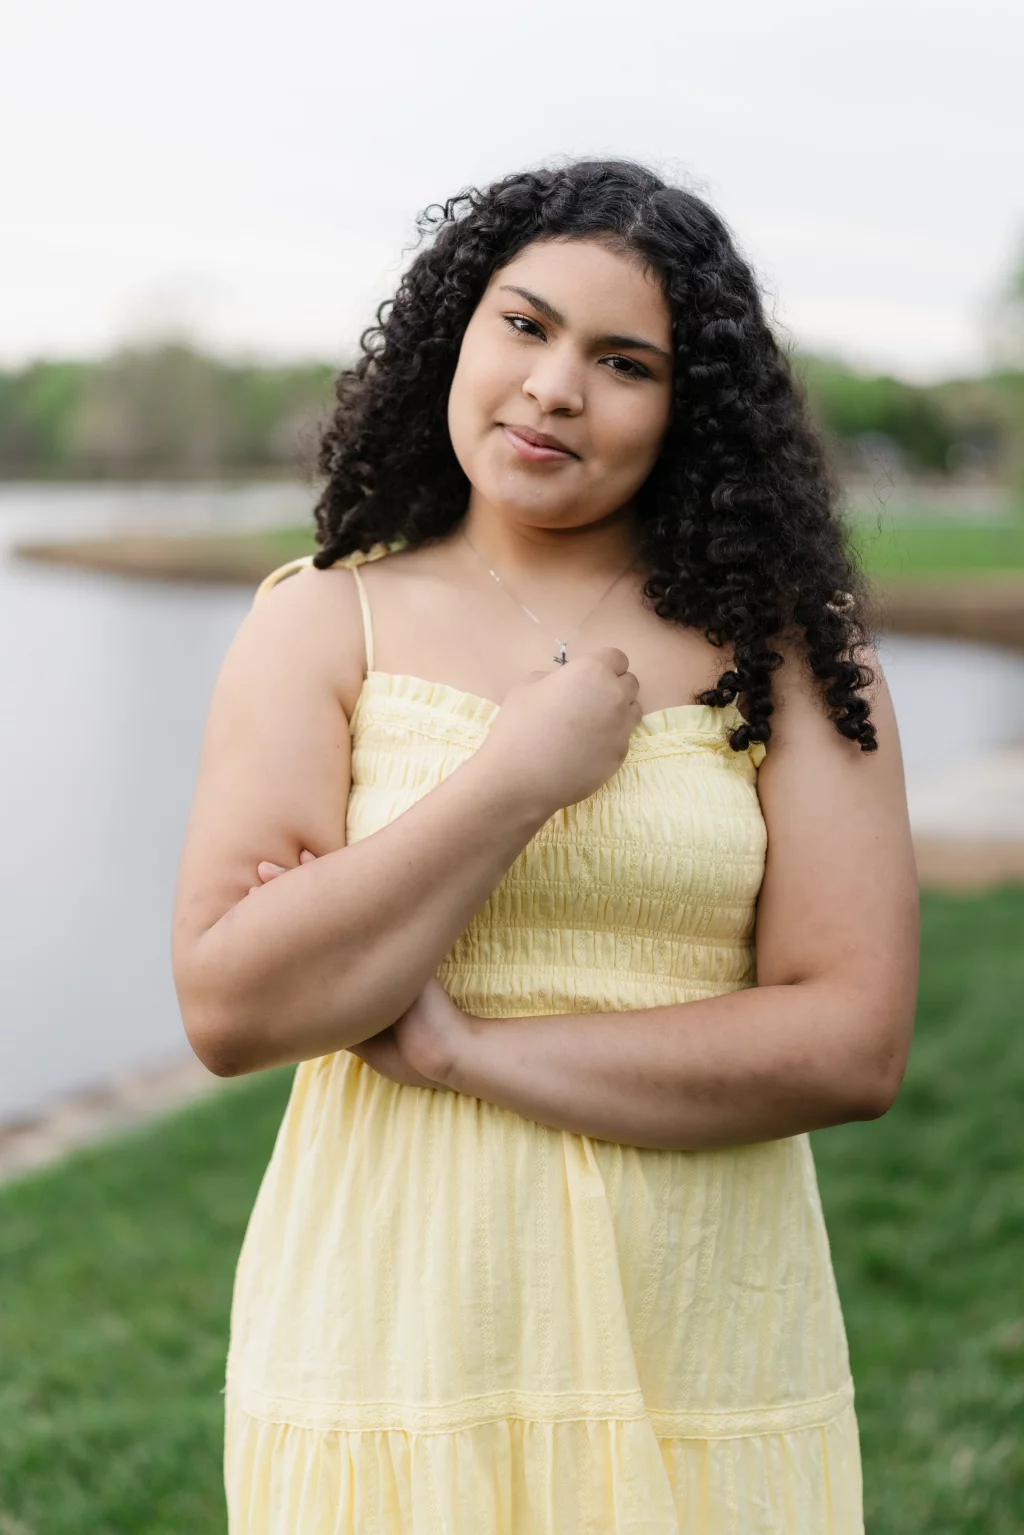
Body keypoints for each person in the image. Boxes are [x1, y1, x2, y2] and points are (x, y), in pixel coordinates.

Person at [171, 156, 919, 1533]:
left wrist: (467, 1051)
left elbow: (850, 1042)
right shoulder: (321, 622)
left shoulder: (797, 658)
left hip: (701, 1324)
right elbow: (234, 1005)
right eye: (525, 325)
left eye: (626, 362)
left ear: (688, 411)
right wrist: (515, 779)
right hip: (395, 1336)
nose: (555, 386)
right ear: (456, 335)